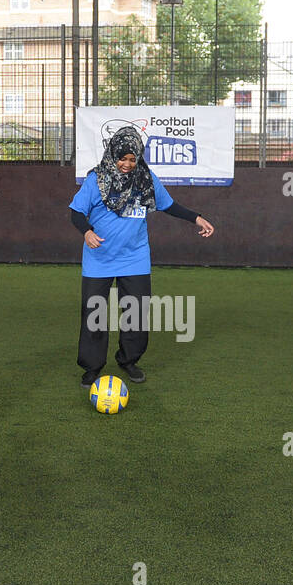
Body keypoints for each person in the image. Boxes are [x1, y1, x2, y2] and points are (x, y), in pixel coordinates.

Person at [69, 126, 214, 388]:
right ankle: (92, 367)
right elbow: (76, 213)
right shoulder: (96, 180)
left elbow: (169, 205)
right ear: (112, 155)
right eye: (122, 158)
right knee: (95, 315)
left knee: (135, 313)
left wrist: (196, 217)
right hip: (99, 259)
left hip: (135, 257)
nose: (126, 164)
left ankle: (128, 360)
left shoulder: (146, 179)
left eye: (132, 159)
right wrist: (87, 231)